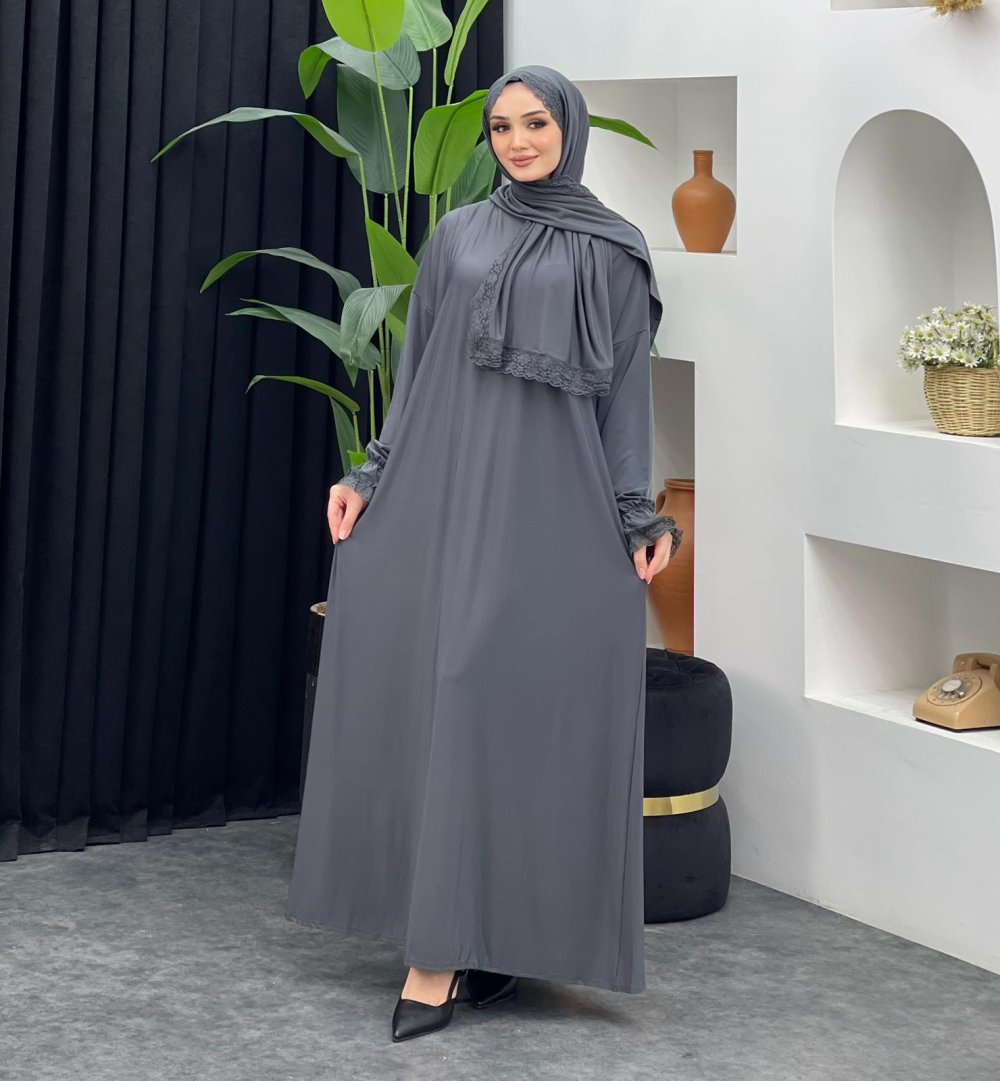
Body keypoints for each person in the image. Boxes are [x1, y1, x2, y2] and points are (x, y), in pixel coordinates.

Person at [284, 63, 683, 1043]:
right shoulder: (458, 233)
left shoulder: (613, 250)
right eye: (501, 127)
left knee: (511, 710)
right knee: (445, 693)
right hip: (443, 492)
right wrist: (371, 474)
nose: (516, 141)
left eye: (534, 122)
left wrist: (638, 516)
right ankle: (435, 954)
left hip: (551, 510)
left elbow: (625, 399)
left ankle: (494, 935)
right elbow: (418, 371)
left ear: (567, 127)